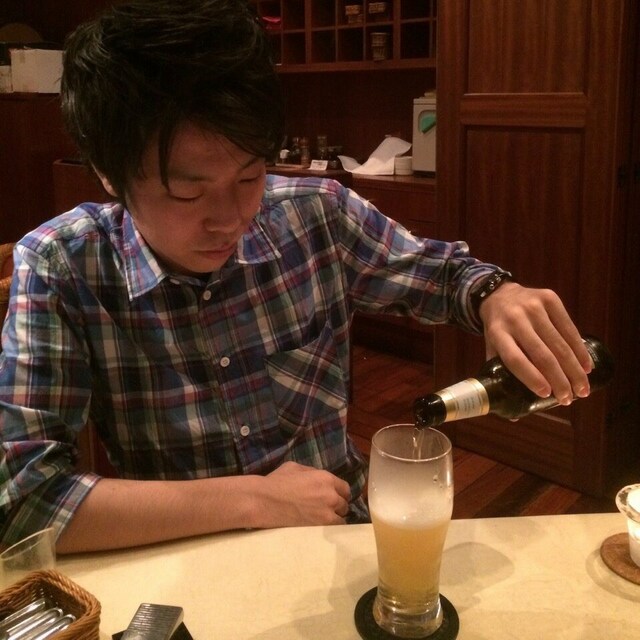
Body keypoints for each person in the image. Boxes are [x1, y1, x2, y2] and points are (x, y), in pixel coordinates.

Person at [0, 0, 592, 554]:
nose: (231, 218)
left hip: (337, 541)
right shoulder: (61, 265)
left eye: (250, 176)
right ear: (108, 173)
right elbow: (24, 502)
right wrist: (252, 500)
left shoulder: (316, 214)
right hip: (184, 559)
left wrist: (495, 294)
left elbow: (443, 275)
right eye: (188, 191)